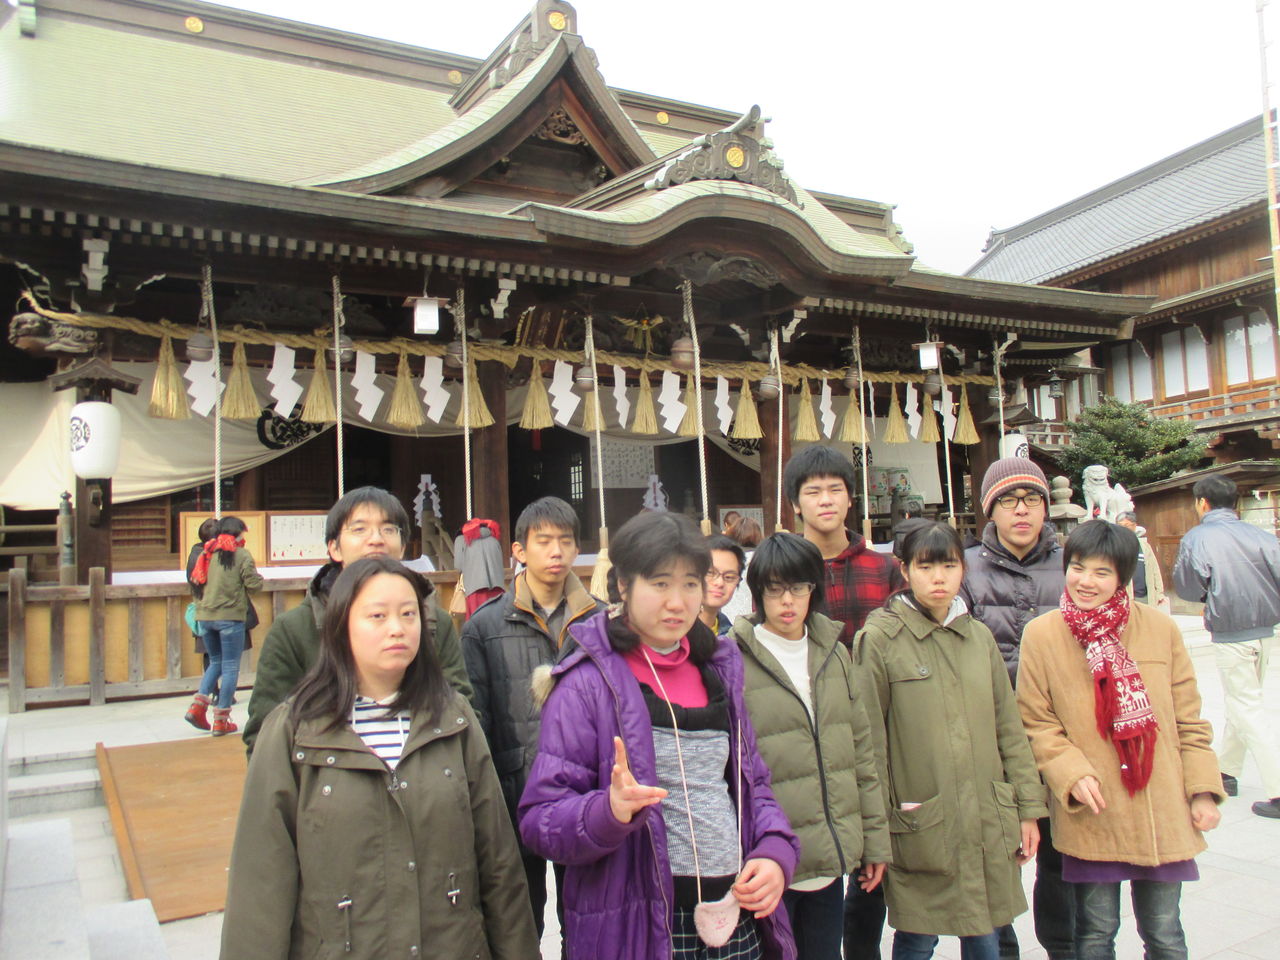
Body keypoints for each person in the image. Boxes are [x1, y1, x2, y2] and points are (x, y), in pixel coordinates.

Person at [220, 556, 537, 960]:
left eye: (409, 615)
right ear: (340, 625)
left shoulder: (453, 719)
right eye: (377, 615)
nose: (397, 629)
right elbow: (261, 881)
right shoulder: (294, 731)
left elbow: (498, 863)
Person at [519, 511, 800, 960]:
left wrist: (773, 851)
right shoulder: (585, 683)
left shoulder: (719, 669)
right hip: (641, 924)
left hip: (738, 915)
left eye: (691, 583)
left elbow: (754, 787)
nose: (678, 602)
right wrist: (606, 811)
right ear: (624, 586)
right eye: (660, 583)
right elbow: (540, 820)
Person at [1018, 520, 1223, 959]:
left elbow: (1188, 719)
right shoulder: (1043, 634)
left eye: (1102, 572)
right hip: (1096, 807)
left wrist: (1202, 790)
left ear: (1123, 578)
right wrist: (1069, 773)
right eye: (1078, 567)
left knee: (1165, 934)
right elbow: (1037, 722)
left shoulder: (1159, 630)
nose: (1086, 581)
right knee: (1094, 933)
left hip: (1160, 806)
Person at [856, 521, 1046, 960]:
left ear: (964, 569)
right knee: (917, 936)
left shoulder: (978, 637)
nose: (938, 577)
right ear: (905, 571)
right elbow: (868, 742)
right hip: (923, 821)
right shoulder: (881, 639)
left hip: (983, 815)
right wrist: (876, 829)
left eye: (948, 565)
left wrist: (1028, 809)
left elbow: (1008, 728)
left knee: (984, 931)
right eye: (925, 566)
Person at [729, 532, 889, 960]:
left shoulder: (834, 655)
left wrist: (873, 842)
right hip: (766, 863)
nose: (787, 600)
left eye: (799, 587)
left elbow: (862, 755)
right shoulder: (733, 659)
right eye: (775, 588)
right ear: (757, 591)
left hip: (827, 863)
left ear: (814, 590)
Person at [461, 496, 603, 940]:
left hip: (584, 791)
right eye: (543, 541)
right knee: (519, 920)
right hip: (513, 787)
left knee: (585, 914)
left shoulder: (599, 621)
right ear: (519, 551)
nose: (556, 551)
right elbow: (476, 717)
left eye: (565, 541)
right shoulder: (484, 626)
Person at [782, 445, 902, 960]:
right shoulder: (781, 570)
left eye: (835, 489)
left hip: (875, 735)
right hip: (806, 742)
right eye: (813, 492)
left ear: (852, 499)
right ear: (796, 505)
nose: (825, 500)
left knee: (872, 868)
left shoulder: (886, 567)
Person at [243, 486, 471, 755]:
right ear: (334, 548)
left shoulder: (433, 622)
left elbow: (462, 711)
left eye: (389, 529)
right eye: (359, 529)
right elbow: (265, 735)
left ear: (401, 547)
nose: (376, 539)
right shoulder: (294, 630)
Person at [961, 457, 1075, 960]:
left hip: (1063, 734)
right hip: (993, 734)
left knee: (1061, 854)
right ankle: (1003, 949)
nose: (1021, 510)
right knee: (997, 852)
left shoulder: (1074, 564)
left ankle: (1062, 947)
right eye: (1008, 501)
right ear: (991, 511)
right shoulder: (965, 569)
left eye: (1031, 499)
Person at [1173, 474, 1280, 818]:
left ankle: (1278, 790)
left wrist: (1209, 595)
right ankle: (1227, 772)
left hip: (1231, 631)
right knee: (1242, 700)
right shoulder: (1261, 535)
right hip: (1265, 629)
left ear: (1202, 502)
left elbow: (1188, 588)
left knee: (1247, 707)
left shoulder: (1198, 538)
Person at [184, 516, 263, 735]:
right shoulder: (241, 555)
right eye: (242, 534)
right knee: (229, 666)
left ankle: (197, 707)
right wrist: (260, 579)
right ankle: (221, 719)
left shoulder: (206, 553)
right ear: (236, 534)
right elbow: (253, 585)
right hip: (229, 617)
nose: (242, 538)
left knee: (216, 662)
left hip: (205, 616)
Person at [1114, 511, 1166, 608]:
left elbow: (1155, 569)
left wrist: (1159, 592)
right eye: (1120, 526)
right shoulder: (1114, 546)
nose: (1123, 529)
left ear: (1134, 526)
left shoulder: (1144, 546)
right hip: (1124, 597)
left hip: (1145, 597)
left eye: (1127, 525)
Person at [700, 534, 745, 636]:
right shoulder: (672, 633)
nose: (719, 583)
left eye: (729, 577)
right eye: (710, 573)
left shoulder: (733, 638)